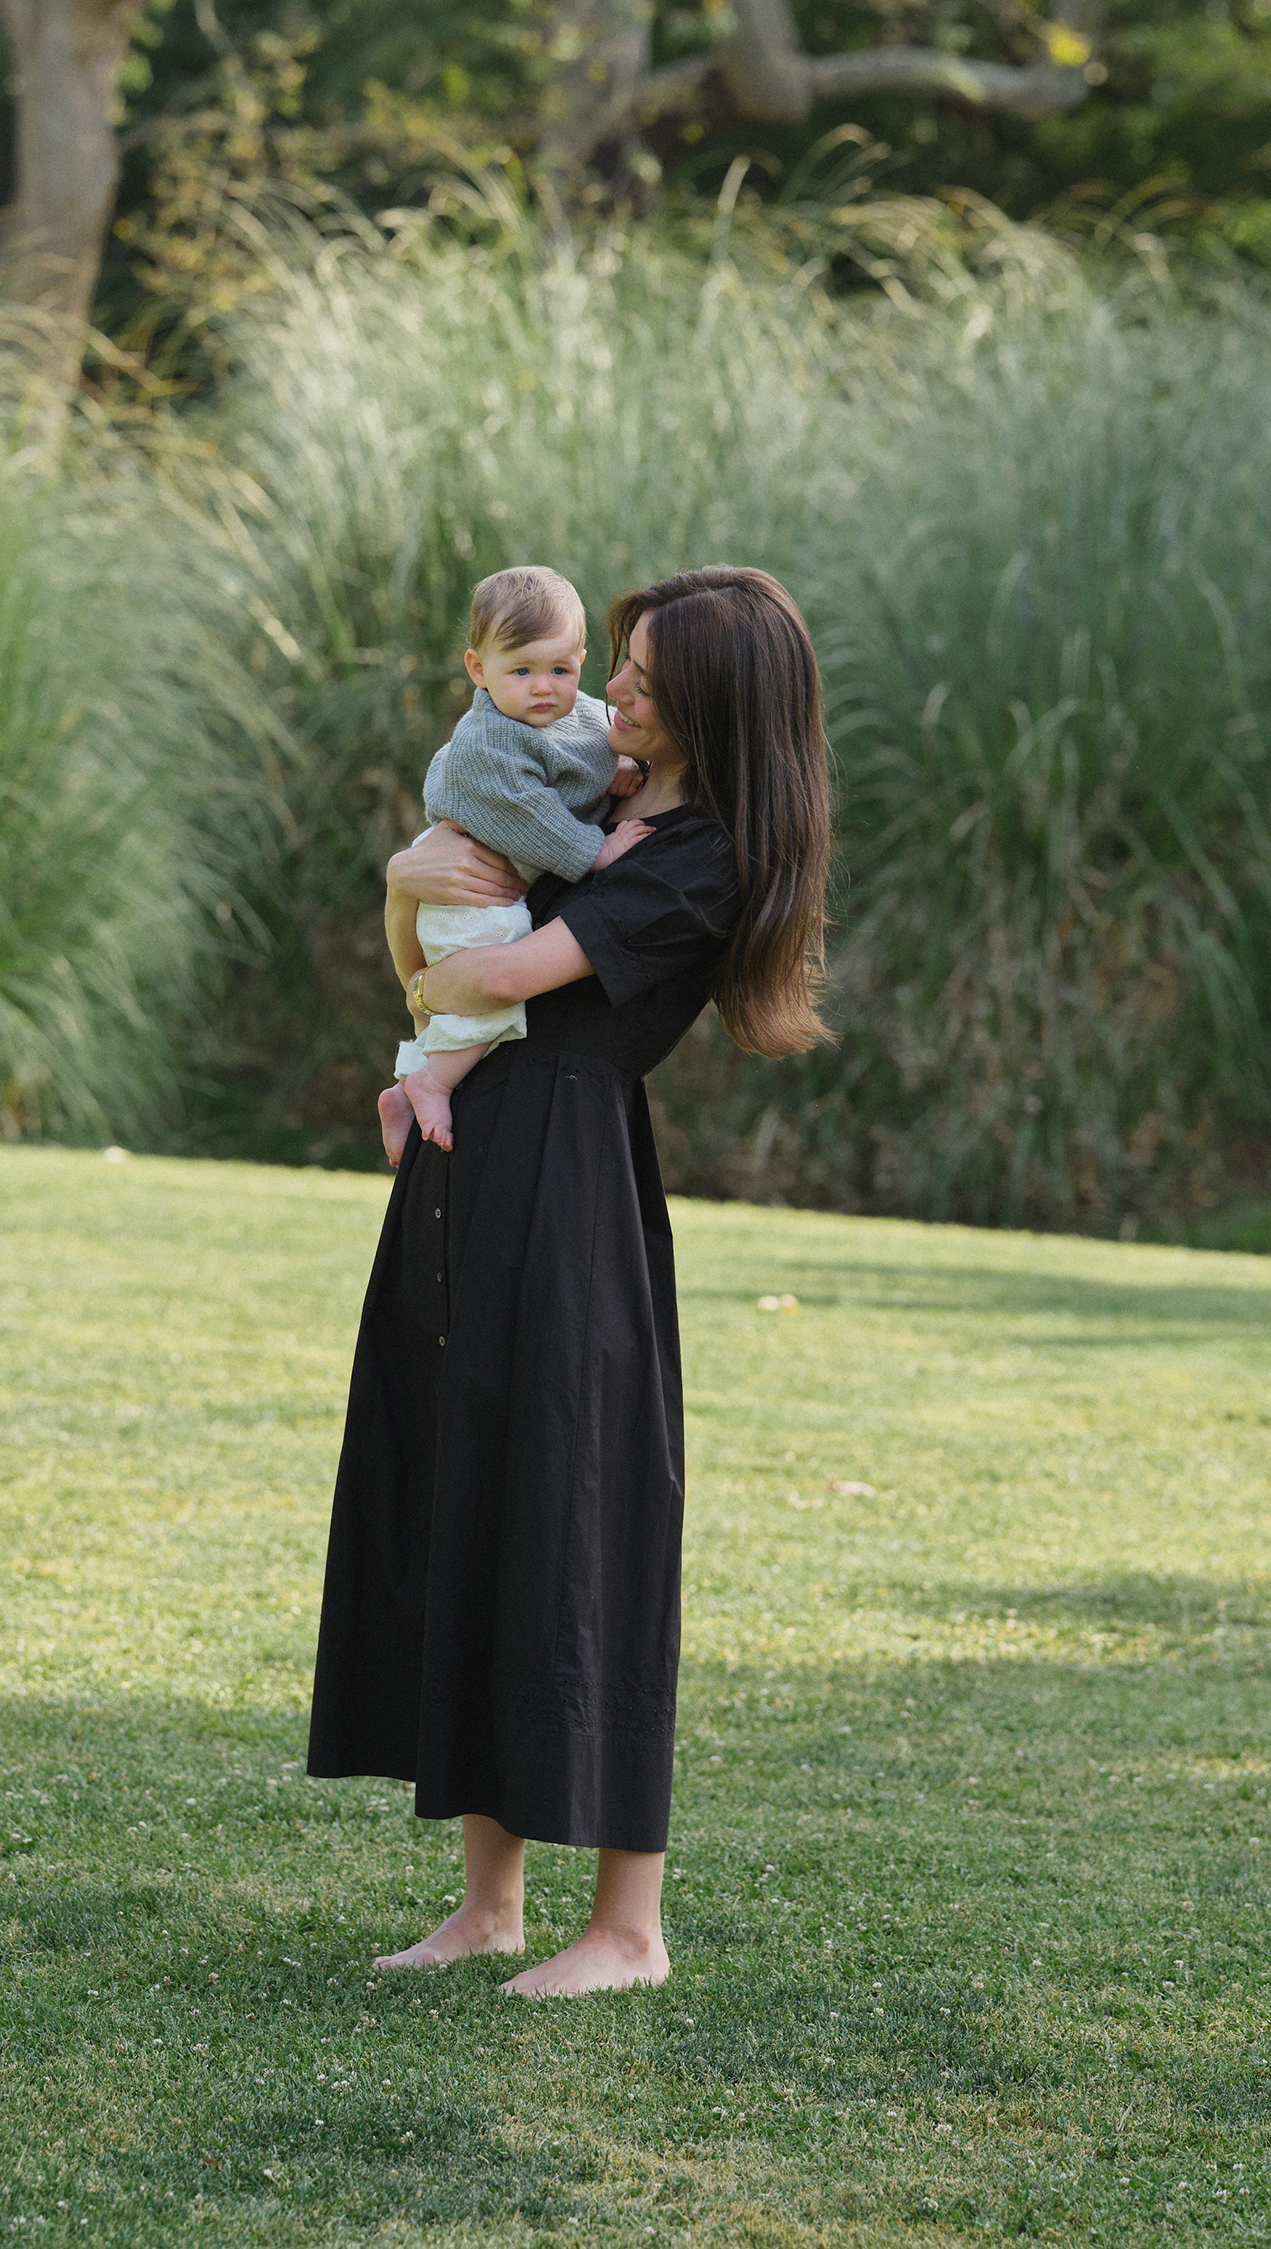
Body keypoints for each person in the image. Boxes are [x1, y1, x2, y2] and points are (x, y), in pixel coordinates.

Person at [307, 566, 831, 1998]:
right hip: (477, 1160)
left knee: (580, 1524)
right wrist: (412, 893)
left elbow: (495, 972)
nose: (617, 695)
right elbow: (442, 939)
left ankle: (629, 1930)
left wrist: (416, 904)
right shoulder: (596, 802)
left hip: (571, 1189)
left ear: (713, 706)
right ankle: (489, 1904)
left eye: (648, 680)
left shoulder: (696, 856)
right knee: (477, 1497)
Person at [380, 564, 647, 1168]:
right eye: (520, 670)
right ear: (479, 669)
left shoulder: (570, 711)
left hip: (482, 875)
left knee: (467, 989)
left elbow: (595, 742)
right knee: (490, 985)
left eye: (560, 668)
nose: (543, 688)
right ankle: (432, 1083)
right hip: (465, 886)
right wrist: (596, 852)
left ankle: (403, 1091)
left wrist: (619, 767)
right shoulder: (491, 742)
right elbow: (531, 816)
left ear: (581, 658)